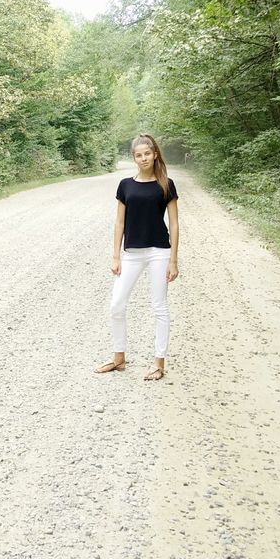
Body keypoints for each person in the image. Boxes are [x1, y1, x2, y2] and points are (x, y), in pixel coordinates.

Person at [95, 133, 179, 381]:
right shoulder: (125, 185)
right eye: (138, 155)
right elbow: (119, 222)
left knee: (159, 307)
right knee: (116, 305)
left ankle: (158, 363)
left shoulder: (166, 184)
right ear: (134, 157)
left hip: (159, 252)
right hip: (131, 253)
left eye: (147, 154)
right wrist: (115, 256)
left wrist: (173, 259)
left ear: (155, 155)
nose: (143, 158)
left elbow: (173, 224)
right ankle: (118, 358)